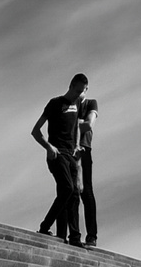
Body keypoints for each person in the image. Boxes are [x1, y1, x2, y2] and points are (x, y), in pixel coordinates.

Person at [32, 73, 88, 247]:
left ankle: (75, 238)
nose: (80, 94)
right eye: (78, 90)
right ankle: (44, 227)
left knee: (75, 195)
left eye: (83, 91)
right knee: (66, 189)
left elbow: (76, 127)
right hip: (57, 154)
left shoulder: (78, 103)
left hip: (71, 155)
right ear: (71, 86)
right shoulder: (55, 103)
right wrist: (49, 147)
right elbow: (35, 131)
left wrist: (78, 146)